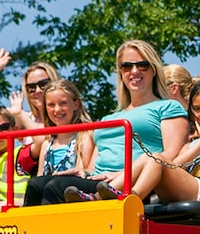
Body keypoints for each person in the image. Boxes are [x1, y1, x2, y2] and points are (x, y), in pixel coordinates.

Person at [43, 39, 189, 204]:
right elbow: (92, 166)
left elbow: (171, 154)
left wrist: (122, 174)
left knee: (55, 187)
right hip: (98, 179)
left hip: (135, 181)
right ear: (120, 72)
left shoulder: (167, 107)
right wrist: (82, 172)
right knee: (37, 184)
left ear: (154, 69)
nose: (134, 71)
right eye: (127, 66)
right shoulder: (108, 119)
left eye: (142, 65)